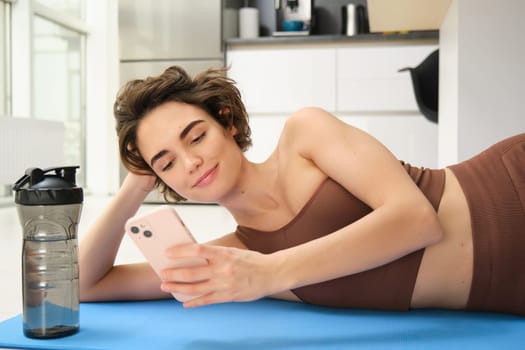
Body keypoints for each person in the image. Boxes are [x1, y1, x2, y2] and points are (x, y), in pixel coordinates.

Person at [79, 65, 525, 316]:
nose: (190, 162)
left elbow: (416, 220)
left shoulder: (304, 136)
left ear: (227, 121)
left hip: (511, 189)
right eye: (168, 162)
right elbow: (86, 285)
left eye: (195, 136)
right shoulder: (236, 258)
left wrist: (270, 273)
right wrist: (136, 182)